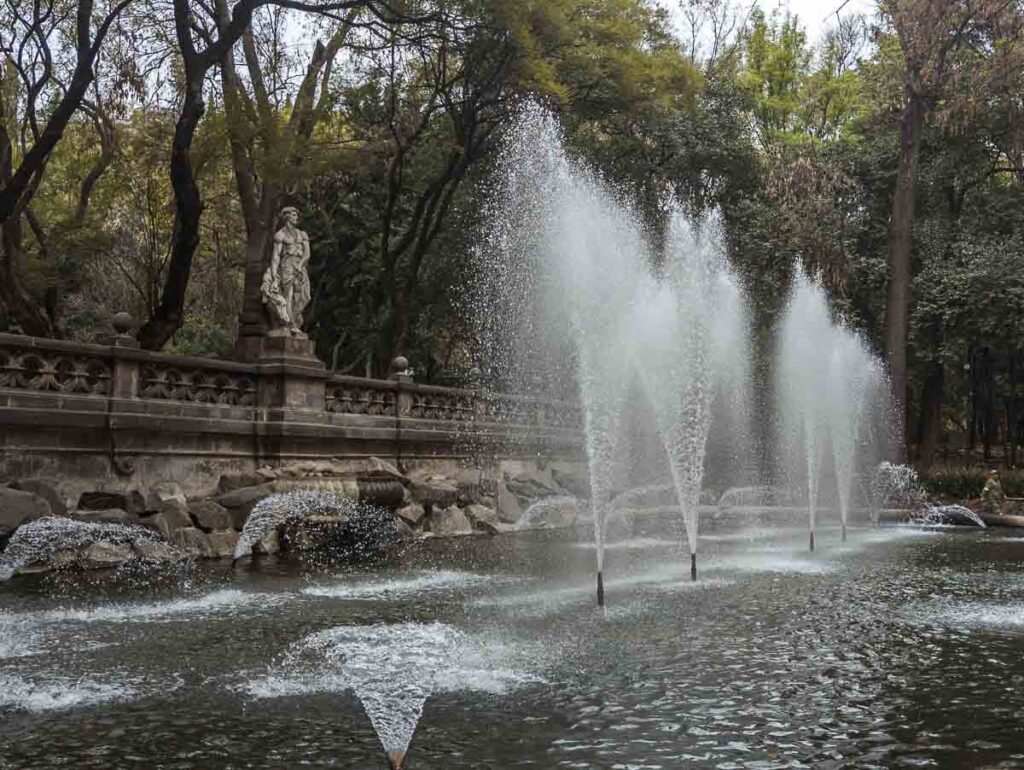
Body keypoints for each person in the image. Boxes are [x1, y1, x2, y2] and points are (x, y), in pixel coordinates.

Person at [261, 206, 311, 337]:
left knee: (304, 297)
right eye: (294, 215)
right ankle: (291, 325)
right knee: (288, 296)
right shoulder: (280, 235)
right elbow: (275, 257)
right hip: (286, 267)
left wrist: (300, 265)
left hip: (300, 267)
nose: (296, 217)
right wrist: (273, 274)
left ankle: (293, 321)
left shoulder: (302, 234)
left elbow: (307, 253)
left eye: (296, 215)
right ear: (287, 217)